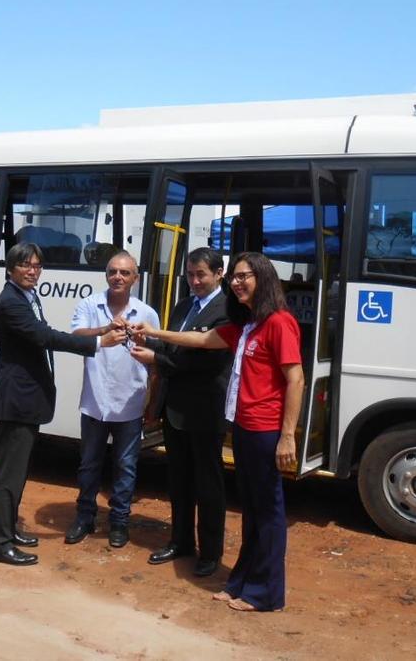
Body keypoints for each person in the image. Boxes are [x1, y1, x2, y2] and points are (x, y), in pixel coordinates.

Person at [131, 251, 305, 611]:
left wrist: (287, 434)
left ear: (263, 278)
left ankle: (265, 593)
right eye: (236, 278)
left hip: (265, 430)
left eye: (245, 276)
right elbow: (202, 339)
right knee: (253, 513)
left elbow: (296, 378)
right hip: (243, 427)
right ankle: (242, 582)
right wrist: (152, 332)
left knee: (267, 513)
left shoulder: (279, 322)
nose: (238, 283)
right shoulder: (247, 325)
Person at [0, 242, 126, 566]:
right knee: (10, 475)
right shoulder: (11, 302)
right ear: (11, 269)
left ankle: (9, 528)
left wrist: (103, 328)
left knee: (18, 473)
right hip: (15, 401)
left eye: (37, 265)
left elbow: (45, 332)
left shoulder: (26, 296)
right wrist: (97, 342)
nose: (32, 271)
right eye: (25, 265)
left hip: (26, 399)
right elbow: (45, 337)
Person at [130, 247, 232, 577]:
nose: (194, 281)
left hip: (204, 410)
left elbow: (204, 360)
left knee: (208, 484)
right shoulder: (184, 305)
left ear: (219, 274)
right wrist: (145, 339)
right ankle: (181, 541)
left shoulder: (226, 310)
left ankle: (210, 552)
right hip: (175, 408)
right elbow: (174, 345)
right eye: (190, 274)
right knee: (179, 480)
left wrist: (156, 359)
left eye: (201, 274)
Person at [64, 251, 160, 548]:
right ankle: (85, 517)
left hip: (129, 405)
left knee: (126, 467)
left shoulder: (147, 313)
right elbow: (77, 336)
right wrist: (104, 329)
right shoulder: (90, 304)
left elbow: (156, 363)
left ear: (136, 278)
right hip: (94, 402)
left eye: (125, 273)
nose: (118, 277)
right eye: (112, 272)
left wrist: (151, 404)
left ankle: (119, 522)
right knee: (88, 464)